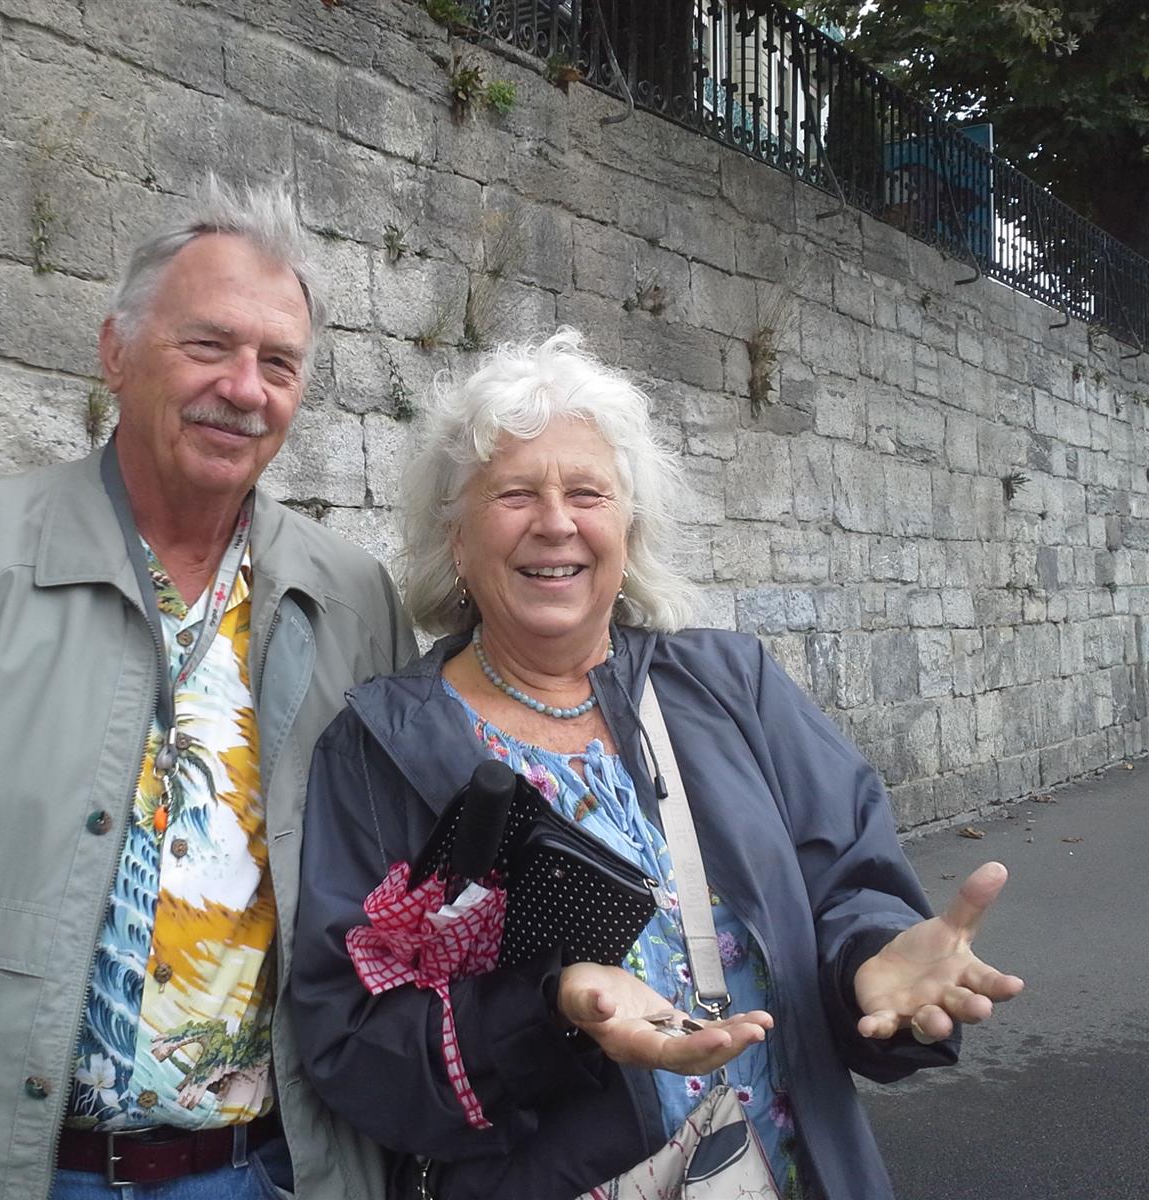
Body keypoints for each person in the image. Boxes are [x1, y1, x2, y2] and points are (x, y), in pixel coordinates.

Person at [0, 179, 415, 1200]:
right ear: (116, 352)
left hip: (275, 1171)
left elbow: (397, 898)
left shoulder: (353, 600)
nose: (244, 388)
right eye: (208, 345)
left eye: (278, 363)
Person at [289, 328, 1023, 1200]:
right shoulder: (382, 744)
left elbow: (846, 881)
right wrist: (550, 1010)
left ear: (628, 528)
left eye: (587, 492)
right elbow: (352, 1036)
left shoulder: (730, 687)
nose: (555, 522)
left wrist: (867, 961)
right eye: (515, 493)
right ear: (456, 537)